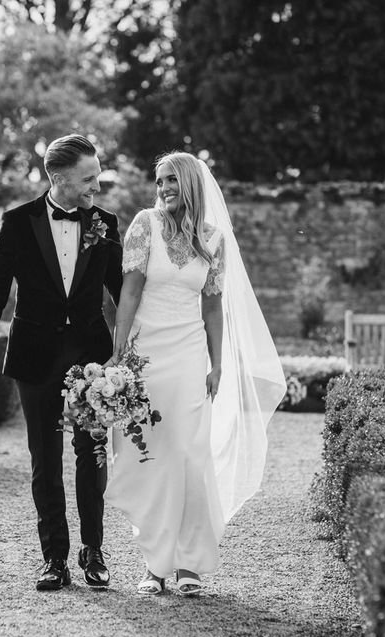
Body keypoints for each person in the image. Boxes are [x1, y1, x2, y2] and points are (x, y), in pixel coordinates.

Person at [105, 151, 286, 596]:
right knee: (153, 455)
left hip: (189, 358)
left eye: (171, 180)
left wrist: (217, 362)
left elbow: (212, 305)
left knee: (188, 455)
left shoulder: (213, 237)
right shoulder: (144, 224)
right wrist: (118, 353)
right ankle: (154, 563)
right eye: (159, 180)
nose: (163, 188)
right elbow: (128, 293)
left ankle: (188, 564)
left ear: (189, 184)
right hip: (146, 355)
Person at [0, 134, 123, 591]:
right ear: (58, 178)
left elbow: (121, 292)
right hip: (35, 356)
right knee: (44, 459)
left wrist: (132, 350)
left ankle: (93, 551)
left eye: (98, 177)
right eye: (88, 178)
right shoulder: (19, 222)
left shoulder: (105, 223)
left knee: (92, 456)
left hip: (91, 360)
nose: (96, 186)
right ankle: (54, 557)